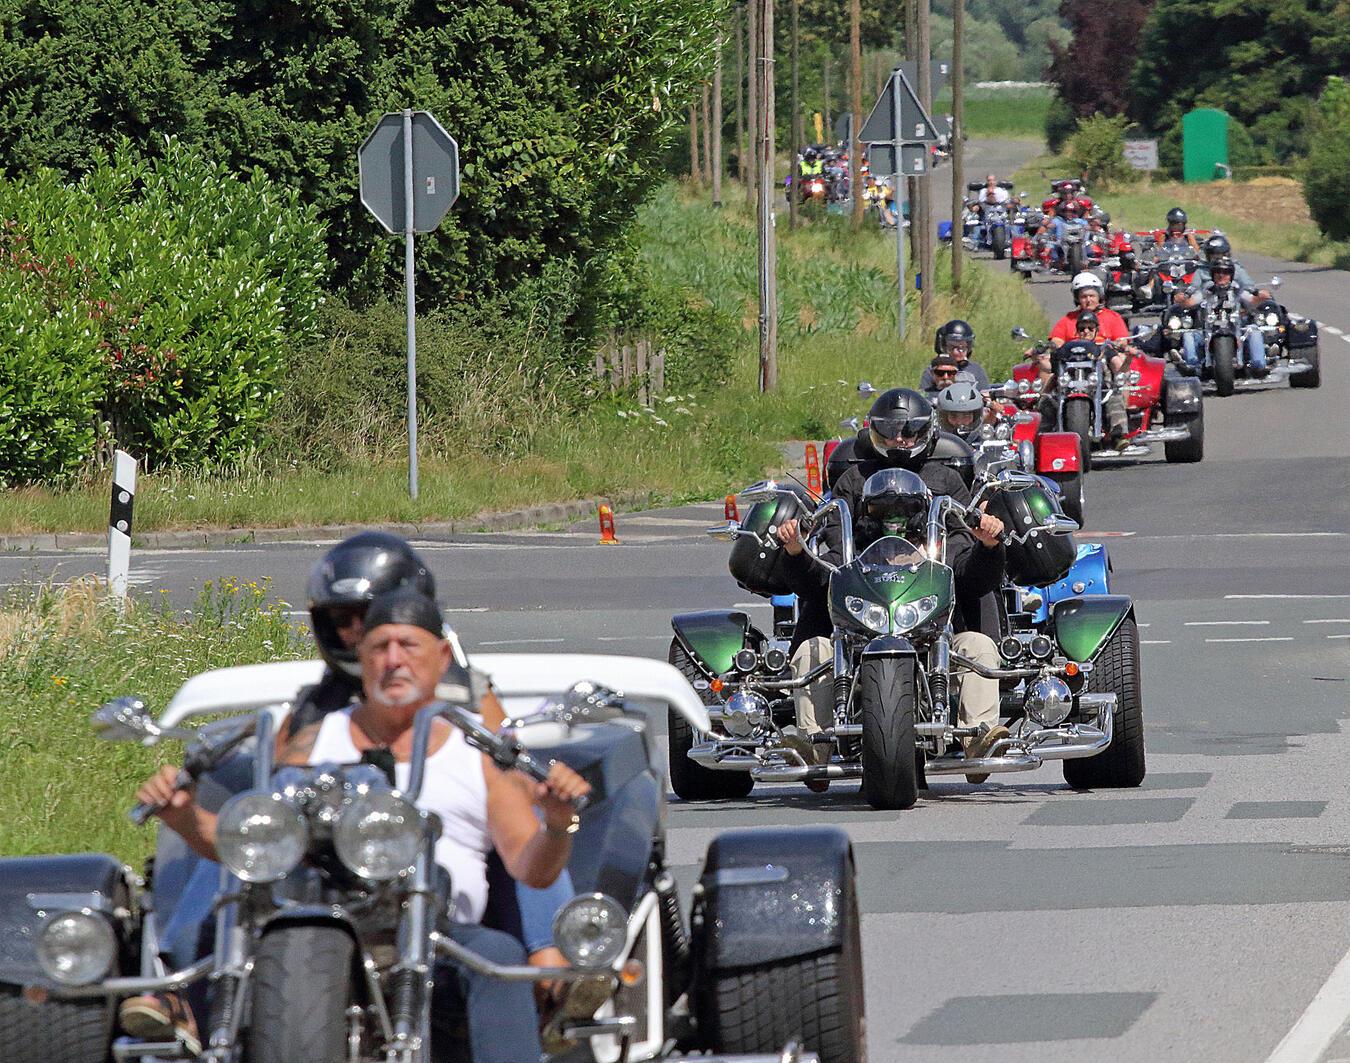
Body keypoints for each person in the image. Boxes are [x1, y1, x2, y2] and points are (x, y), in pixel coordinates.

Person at [131, 587, 591, 1062]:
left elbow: (532, 869)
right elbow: (254, 844)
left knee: (497, 959)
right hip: (306, 923)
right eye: (379, 647)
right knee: (223, 943)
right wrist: (184, 817)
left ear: (442, 655)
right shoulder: (312, 742)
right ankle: (185, 1011)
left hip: (442, 937)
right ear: (360, 659)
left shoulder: (477, 753)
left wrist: (557, 824)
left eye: (408, 645)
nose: (393, 660)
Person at [298, 532, 576, 978]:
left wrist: (537, 791)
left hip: (447, 882)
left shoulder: (463, 692)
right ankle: (178, 980)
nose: (353, 631)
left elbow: (512, 766)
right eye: (340, 619)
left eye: (364, 615)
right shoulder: (315, 707)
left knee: (524, 818)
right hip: (340, 870)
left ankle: (550, 963)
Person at [777, 388, 1010, 786]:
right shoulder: (852, 481)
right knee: (811, 650)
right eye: (887, 432)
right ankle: (813, 742)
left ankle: (979, 739)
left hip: (932, 617)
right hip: (860, 615)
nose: (899, 440)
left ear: (926, 431)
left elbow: (965, 565)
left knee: (979, 647)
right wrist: (798, 551)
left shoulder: (947, 481)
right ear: (872, 432)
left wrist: (989, 544)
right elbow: (831, 560)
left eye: (909, 431)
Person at [1175, 256, 1268, 377]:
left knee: (1254, 331)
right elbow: (1190, 302)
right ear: (1213, 274)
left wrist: (1262, 297)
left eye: (1226, 272)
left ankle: (1259, 366)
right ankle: (1192, 366)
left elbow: (1252, 300)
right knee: (1188, 334)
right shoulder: (1206, 291)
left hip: (1237, 330)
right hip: (1208, 331)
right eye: (1218, 272)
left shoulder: (1237, 290)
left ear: (1231, 274)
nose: (1221, 275)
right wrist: (1181, 299)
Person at [920, 319, 991, 392]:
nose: (956, 353)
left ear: (968, 348)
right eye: (951, 347)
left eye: (961, 348)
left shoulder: (976, 370)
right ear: (943, 347)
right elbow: (923, 398)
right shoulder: (933, 371)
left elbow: (986, 396)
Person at [935, 379, 988, 444]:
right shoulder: (935, 443)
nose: (959, 422)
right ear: (943, 417)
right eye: (953, 416)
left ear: (976, 416)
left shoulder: (985, 439)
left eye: (966, 416)